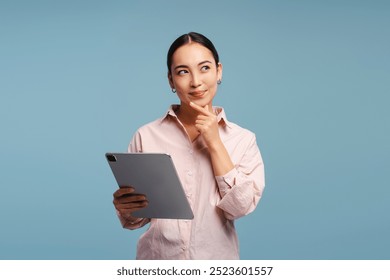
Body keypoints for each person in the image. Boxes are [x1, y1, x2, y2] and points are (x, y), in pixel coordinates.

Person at [113, 32, 265, 260]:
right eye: (183, 72)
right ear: (171, 81)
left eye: (205, 68)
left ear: (219, 71)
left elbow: (239, 208)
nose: (196, 82)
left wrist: (215, 143)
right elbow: (137, 220)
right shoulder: (146, 135)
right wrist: (127, 207)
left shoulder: (243, 139)